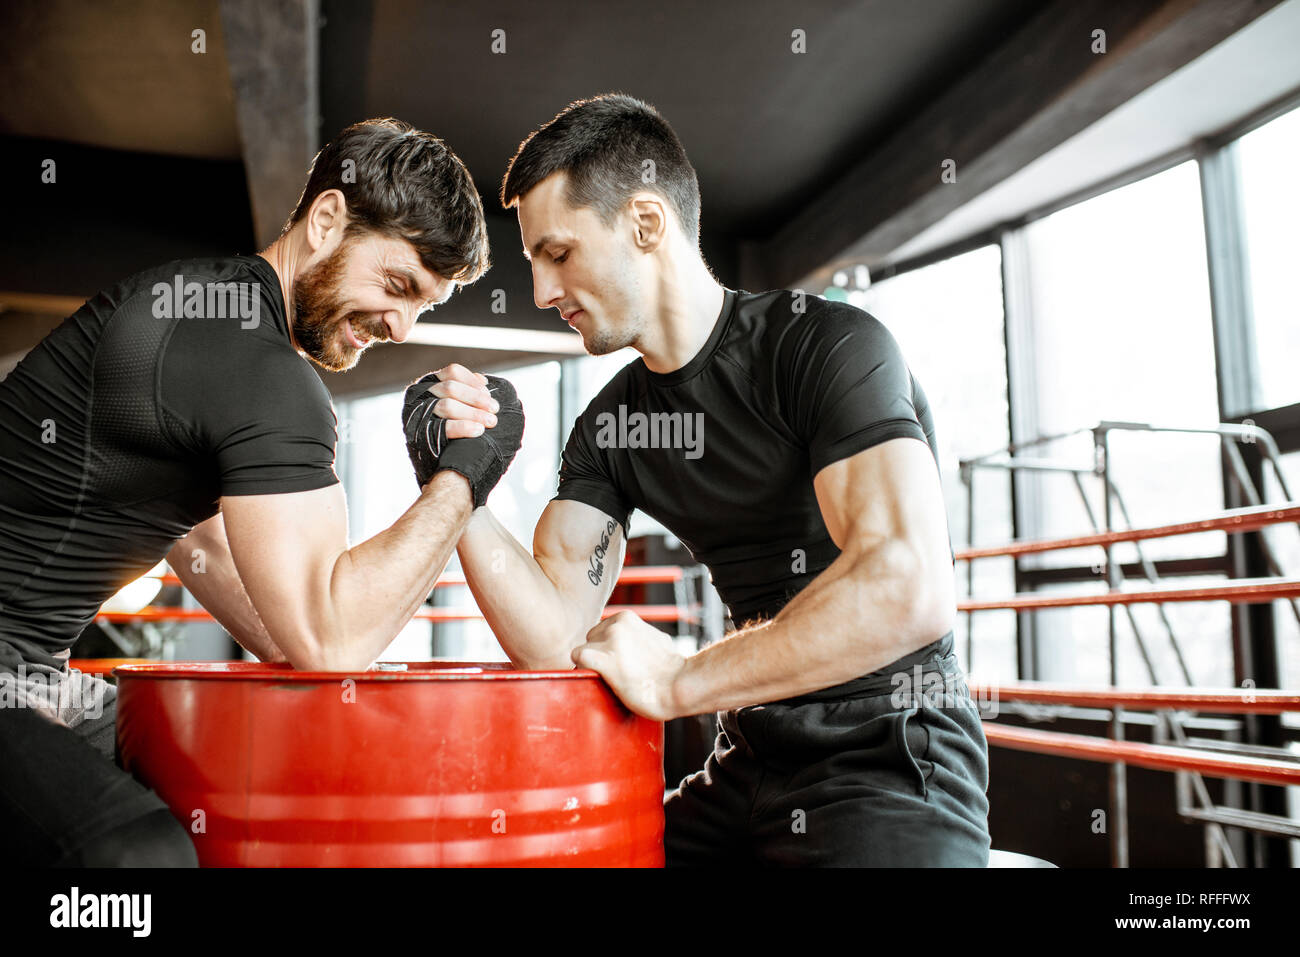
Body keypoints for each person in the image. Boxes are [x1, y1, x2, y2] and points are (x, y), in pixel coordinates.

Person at [411, 94, 991, 866]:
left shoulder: (825, 347)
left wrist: (683, 681)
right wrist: (460, 487)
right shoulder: (613, 424)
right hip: (745, 769)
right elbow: (554, 633)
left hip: (889, 764)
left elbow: (907, 588)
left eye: (559, 253)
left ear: (646, 223)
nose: (545, 292)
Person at [0, 117, 521, 866]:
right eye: (397, 284)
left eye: (424, 305)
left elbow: (207, 547)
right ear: (327, 221)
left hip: (32, 669)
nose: (402, 325)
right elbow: (328, 639)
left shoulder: (204, 312)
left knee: (216, 784)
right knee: (139, 857)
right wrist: (462, 479)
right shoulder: (259, 369)